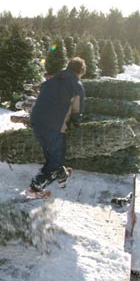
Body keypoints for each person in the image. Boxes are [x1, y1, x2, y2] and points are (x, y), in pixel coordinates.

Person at [29, 57, 86, 193]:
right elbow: (77, 110)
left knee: (51, 153)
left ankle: (62, 176)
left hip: (36, 121)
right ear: (80, 71)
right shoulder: (76, 85)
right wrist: (76, 122)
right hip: (54, 126)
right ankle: (35, 188)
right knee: (55, 160)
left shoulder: (51, 81)